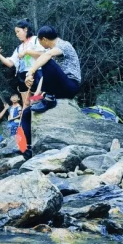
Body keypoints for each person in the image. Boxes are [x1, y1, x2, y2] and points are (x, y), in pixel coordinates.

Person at [20, 25, 82, 159]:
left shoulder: (64, 45)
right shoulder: (53, 52)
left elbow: (46, 57)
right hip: (60, 86)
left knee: (45, 60)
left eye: (41, 42)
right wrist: (37, 95)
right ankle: (26, 148)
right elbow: (45, 76)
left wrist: (30, 72)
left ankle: (49, 99)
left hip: (70, 85)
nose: (42, 46)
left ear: (44, 39)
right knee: (26, 112)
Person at [0, 19, 45, 105]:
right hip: (22, 74)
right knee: (27, 102)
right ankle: (29, 115)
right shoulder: (19, 48)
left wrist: (27, 52)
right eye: (16, 32)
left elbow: (43, 54)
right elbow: (10, 63)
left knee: (37, 98)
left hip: (36, 71)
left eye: (18, 31)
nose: (17, 34)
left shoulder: (36, 40)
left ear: (25, 29)